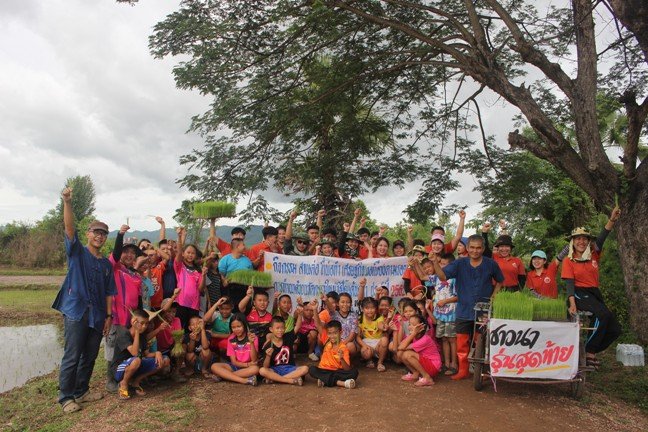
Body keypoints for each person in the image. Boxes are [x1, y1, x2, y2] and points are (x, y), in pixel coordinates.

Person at [52, 187, 116, 413]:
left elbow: (109, 292)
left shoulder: (106, 264)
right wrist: (67, 202)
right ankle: (66, 397)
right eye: (96, 232)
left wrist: (108, 317)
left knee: (89, 355)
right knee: (72, 355)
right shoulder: (77, 252)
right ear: (88, 234)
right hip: (76, 311)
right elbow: (69, 228)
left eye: (103, 233)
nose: (99, 236)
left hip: (97, 315)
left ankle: (82, 391)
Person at [437, 234, 504, 380]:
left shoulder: (491, 264)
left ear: (483, 248)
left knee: (482, 342)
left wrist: (494, 296)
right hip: (463, 309)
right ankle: (463, 370)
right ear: (467, 248)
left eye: (478, 248)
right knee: (462, 342)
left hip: (483, 310)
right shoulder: (459, 263)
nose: (475, 251)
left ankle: (483, 371)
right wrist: (434, 262)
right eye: (472, 247)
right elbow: (443, 277)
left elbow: (500, 280)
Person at [561, 206, 622, 367]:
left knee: (615, 329)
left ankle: (585, 349)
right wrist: (572, 303)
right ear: (573, 241)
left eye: (584, 239)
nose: (581, 241)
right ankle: (589, 353)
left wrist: (612, 219)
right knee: (603, 315)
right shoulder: (569, 260)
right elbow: (569, 284)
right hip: (578, 293)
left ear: (588, 241)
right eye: (577, 239)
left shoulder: (594, 254)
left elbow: (602, 236)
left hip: (594, 294)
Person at [110, 309, 170, 400]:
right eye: (141, 323)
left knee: (165, 360)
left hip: (135, 365)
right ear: (133, 322)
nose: (144, 326)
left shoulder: (141, 336)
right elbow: (134, 353)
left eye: (146, 323)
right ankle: (124, 383)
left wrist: (157, 353)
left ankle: (136, 381)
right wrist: (137, 331)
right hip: (119, 370)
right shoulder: (123, 334)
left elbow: (147, 354)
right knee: (136, 360)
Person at [210, 313, 260, 385]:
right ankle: (244, 380)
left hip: (249, 368)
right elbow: (234, 362)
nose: (236, 329)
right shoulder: (231, 339)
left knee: (255, 369)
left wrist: (251, 343)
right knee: (214, 366)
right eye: (233, 327)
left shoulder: (252, 337)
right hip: (237, 366)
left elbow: (254, 360)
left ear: (245, 325)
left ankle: (223, 376)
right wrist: (247, 364)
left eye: (239, 326)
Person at [308, 320, 359, 389]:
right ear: (327, 334)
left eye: (335, 333)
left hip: (337, 371)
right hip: (324, 370)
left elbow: (347, 369)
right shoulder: (326, 341)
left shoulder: (343, 348)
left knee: (354, 372)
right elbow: (318, 324)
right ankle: (341, 383)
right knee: (312, 369)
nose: (332, 336)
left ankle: (324, 380)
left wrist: (342, 359)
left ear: (340, 332)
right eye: (329, 333)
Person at [259, 317, 309, 385]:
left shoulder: (288, 337)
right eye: (277, 328)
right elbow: (265, 366)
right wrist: (268, 356)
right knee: (262, 370)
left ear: (285, 328)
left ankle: (275, 379)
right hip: (275, 370)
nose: (280, 330)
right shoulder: (268, 345)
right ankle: (289, 380)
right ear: (271, 329)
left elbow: (297, 326)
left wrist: (300, 314)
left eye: (282, 328)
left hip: (290, 369)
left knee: (305, 369)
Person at [431, 253, 458, 375]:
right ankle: (446, 363)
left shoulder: (455, 279)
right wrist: (415, 263)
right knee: (444, 338)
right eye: (440, 263)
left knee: (452, 339)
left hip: (451, 314)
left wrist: (445, 301)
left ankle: (454, 364)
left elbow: (459, 296)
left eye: (444, 264)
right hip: (439, 314)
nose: (442, 266)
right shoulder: (437, 277)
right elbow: (421, 276)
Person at [397, 314, 442, 387]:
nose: (410, 327)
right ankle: (415, 373)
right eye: (409, 324)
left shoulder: (425, 339)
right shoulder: (415, 336)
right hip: (426, 363)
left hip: (433, 366)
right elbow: (400, 347)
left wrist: (414, 333)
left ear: (421, 327)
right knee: (401, 353)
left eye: (413, 325)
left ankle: (427, 378)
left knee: (408, 354)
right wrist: (413, 334)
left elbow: (401, 347)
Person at [174, 227, 203, 329]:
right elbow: (178, 252)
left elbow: (200, 288)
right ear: (183, 253)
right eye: (188, 252)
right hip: (181, 303)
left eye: (193, 253)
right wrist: (179, 236)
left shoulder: (198, 270)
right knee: (180, 328)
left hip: (194, 304)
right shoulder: (180, 266)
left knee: (193, 329)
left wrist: (204, 275)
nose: (190, 255)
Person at [218, 238, 253, 312]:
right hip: (229, 290)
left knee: (243, 312)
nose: (245, 247)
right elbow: (221, 274)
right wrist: (225, 281)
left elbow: (251, 276)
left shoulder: (247, 261)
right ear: (237, 246)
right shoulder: (225, 259)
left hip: (244, 290)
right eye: (243, 245)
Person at [356, 297, 390, 371]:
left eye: (372, 308)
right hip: (366, 342)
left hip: (378, 343)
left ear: (376, 308)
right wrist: (364, 345)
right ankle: (369, 360)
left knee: (384, 339)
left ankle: (380, 363)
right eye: (367, 308)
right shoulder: (360, 318)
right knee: (366, 353)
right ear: (362, 309)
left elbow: (380, 325)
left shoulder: (379, 317)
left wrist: (383, 327)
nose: (370, 310)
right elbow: (358, 337)